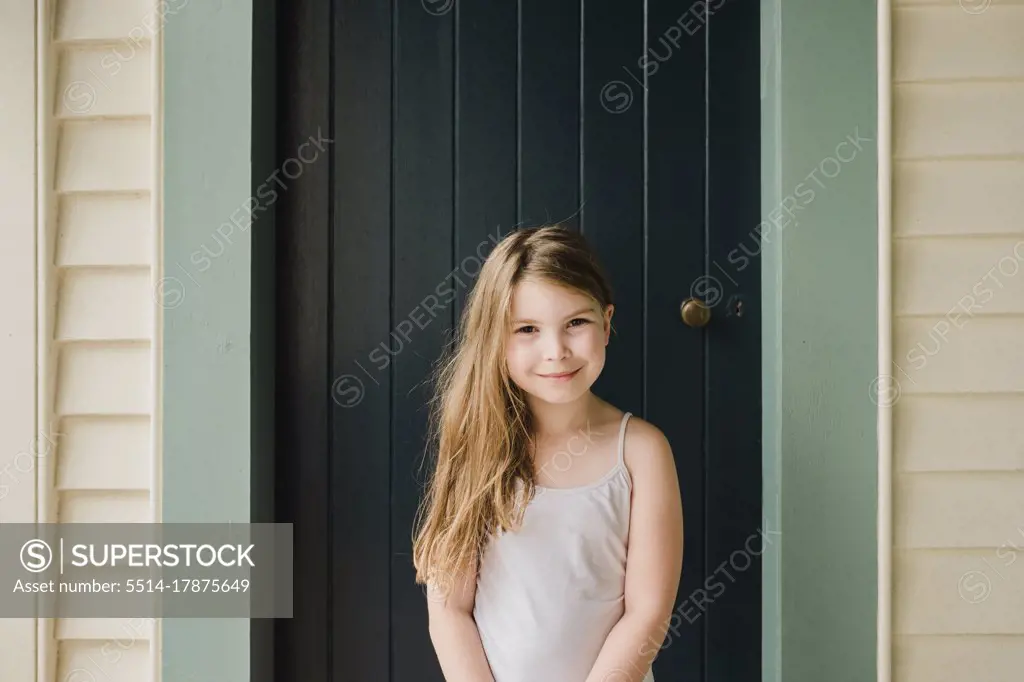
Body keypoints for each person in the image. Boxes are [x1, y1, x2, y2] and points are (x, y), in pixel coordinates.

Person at [412, 225, 684, 682]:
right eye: (527, 329)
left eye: (576, 323)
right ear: (495, 339)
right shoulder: (475, 447)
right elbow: (449, 611)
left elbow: (648, 612)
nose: (555, 351)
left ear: (608, 323)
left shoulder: (642, 452)